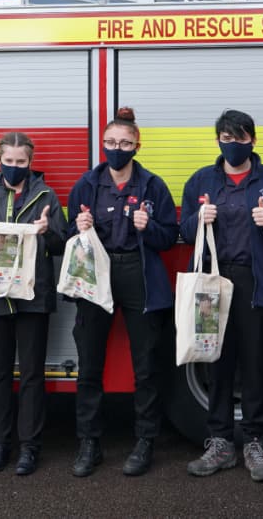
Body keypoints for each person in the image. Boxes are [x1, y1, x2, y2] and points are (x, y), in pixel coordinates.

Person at [180, 109, 263, 483]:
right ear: (218, 140)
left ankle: (254, 442)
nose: (233, 144)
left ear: (253, 140)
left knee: (254, 363)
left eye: (241, 138)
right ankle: (219, 443)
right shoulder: (202, 180)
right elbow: (183, 231)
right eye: (227, 138)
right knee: (215, 361)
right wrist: (198, 219)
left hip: (255, 282)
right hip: (212, 283)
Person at [66, 107, 179, 478]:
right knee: (89, 364)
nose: (117, 149)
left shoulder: (153, 186)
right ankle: (89, 443)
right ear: (102, 144)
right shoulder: (86, 185)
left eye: (125, 143)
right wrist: (78, 226)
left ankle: (145, 441)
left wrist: (149, 227)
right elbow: (68, 235)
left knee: (146, 365)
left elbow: (170, 236)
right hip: (96, 274)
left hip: (137, 272)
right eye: (111, 142)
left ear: (137, 146)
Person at [0, 132, 67, 476]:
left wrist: (48, 231)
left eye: (21, 161)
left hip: (34, 297)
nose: (15, 166)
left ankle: (30, 447)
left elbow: (62, 245)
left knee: (33, 373)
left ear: (30, 162)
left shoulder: (47, 196)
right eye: (9, 161)